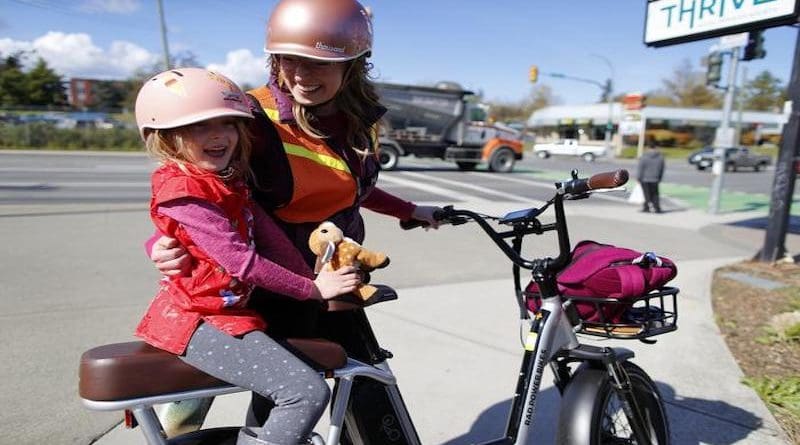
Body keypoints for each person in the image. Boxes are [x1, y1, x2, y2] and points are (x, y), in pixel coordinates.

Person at [149, 0, 443, 432]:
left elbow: (351, 186)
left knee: (340, 382)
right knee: (260, 392)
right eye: (290, 61)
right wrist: (158, 244)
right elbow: (190, 187)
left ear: (353, 64)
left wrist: (410, 210)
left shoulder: (358, 119)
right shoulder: (252, 116)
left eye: (318, 63)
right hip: (265, 281)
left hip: (331, 275)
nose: (302, 76)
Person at [134, 67, 362, 445]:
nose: (218, 135)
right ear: (166, 137)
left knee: (285, 392)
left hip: (231, 312)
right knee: (304, 393)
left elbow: (273, 243)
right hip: (198, 319)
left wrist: (317, 274)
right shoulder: (186, 189)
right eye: (198, 127)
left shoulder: (228, 182)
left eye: (227, 124)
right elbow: (240, 260)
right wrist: (314, 289)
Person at [637, 143, 665, 213]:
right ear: (656, 148)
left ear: (648, 148)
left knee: (646, 194)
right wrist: (660, 178)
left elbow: (640, 168)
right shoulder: (660, 157)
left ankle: (647, 207)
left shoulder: (644, 157)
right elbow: (661, 169)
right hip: (655, 179)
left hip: (645, 179)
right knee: (655, 194)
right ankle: (657, 208)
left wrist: (639, 177)